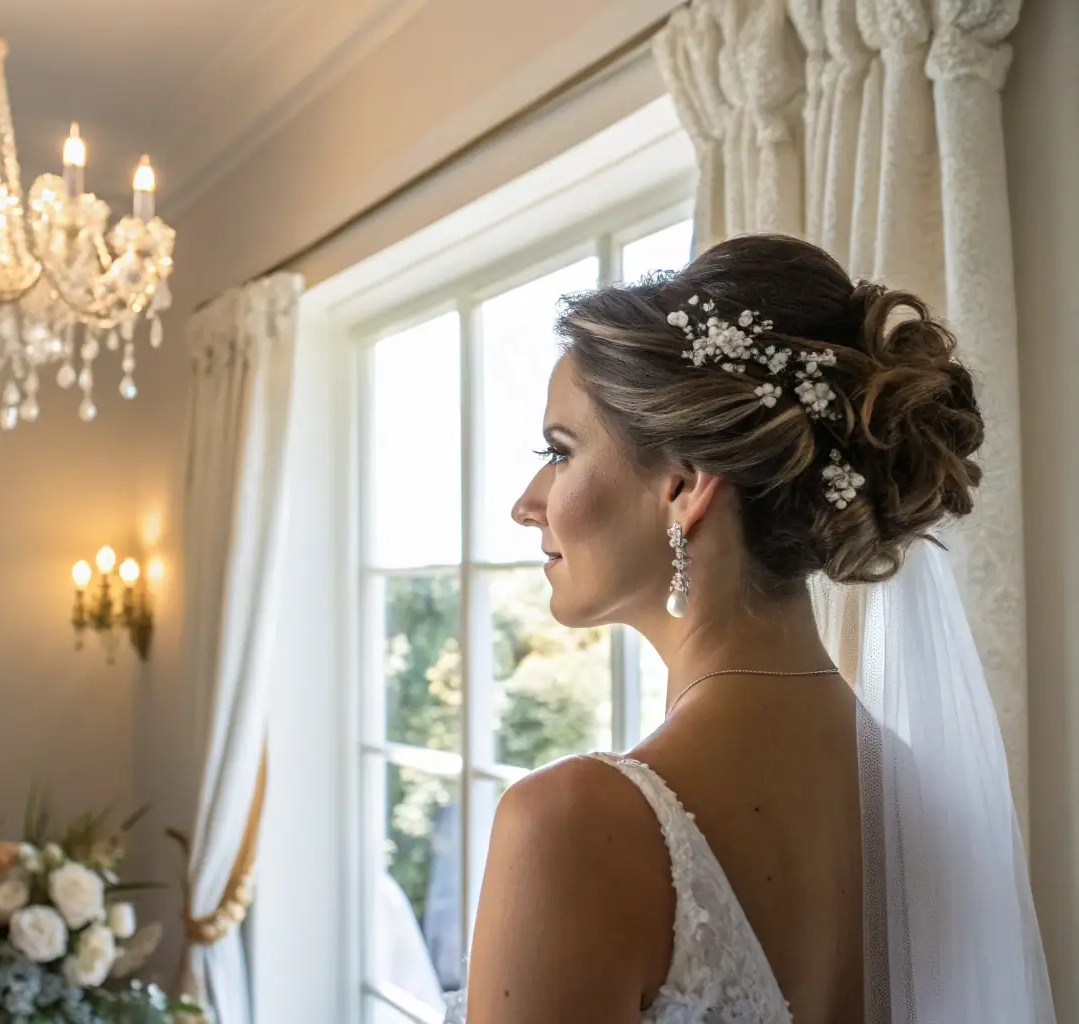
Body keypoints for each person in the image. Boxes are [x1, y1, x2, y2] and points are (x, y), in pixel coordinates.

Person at [448, 234, 1054, 1023]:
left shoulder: (574, 825)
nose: (526, 502)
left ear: (683, 487)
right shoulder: (922, 799)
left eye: (558, 451)